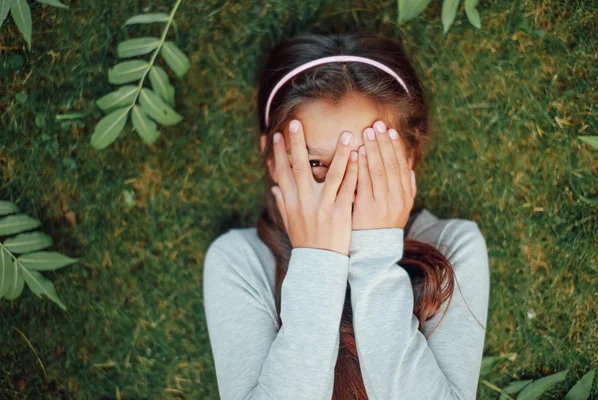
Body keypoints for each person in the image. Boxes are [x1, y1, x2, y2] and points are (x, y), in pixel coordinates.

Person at [203, 33, 490, 400]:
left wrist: (376, 259)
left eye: (367, 162)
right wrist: (317, 260)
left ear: (410, 155)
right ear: (272, 159)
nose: (343, 192)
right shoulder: (238, 260)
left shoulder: (453, 246)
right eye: (317, 164)